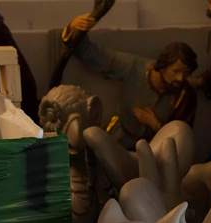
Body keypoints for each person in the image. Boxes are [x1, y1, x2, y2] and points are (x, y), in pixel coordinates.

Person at [66, 13, 198, 150]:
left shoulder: (185, 95)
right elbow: (95, 56)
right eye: (175, 71)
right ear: (163, 66)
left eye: (186, 73)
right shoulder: (134, 67)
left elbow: (182, 139)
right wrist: (74, 29)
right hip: (118, 139)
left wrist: (156, 125)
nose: (180, 78)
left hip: (154, 149)